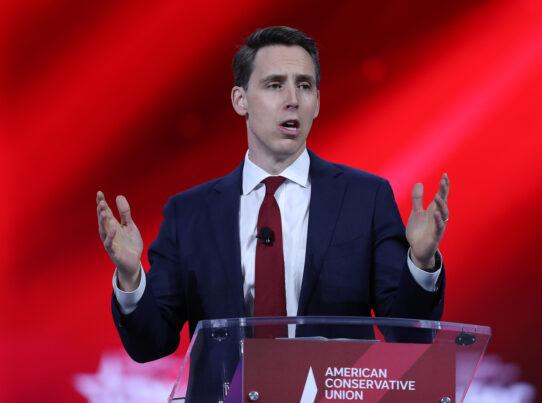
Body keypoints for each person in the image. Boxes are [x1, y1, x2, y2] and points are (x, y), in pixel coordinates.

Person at [96, 26, 449, 364]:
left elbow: (408, 336)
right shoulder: (189, 213)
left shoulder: (366, 198)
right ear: (240, 100)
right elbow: (151, 344)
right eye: (275, 85)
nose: (293, 100)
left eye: (305, 86)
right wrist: (130, 279)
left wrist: (420, 264)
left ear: (317, 103)